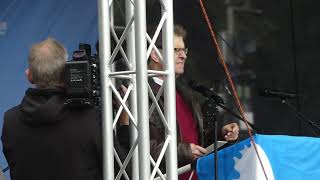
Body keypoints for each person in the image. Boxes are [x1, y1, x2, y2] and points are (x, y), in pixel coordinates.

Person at [1, 38, 128, 180]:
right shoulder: (91, 119)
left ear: (29, 75)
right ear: (65, 74)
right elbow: (124, 171)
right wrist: (124, 125)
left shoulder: (10, 121)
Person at [148, 25, 239, 179]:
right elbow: (144, 149)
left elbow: (197, 139)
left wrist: (221, 134)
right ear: (155, 56)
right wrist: (185, 151)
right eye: (176, 50)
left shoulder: (187, 95)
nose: (183, 56)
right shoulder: (143, 95)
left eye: (184, 50)